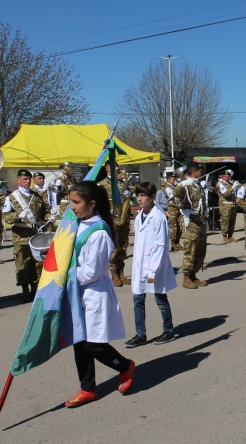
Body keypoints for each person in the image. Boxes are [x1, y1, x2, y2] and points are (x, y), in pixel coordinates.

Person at [64, 181, 135, 408]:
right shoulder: (78, 223)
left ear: (92, 204)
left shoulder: (100, 232)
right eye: (71, 201)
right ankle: (87, 389)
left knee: (93, 344)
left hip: (93, 292)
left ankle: (124, 366)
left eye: (76, 202)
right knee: (79, 342)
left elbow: (90, 273)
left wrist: (62, 275)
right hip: (77, 291)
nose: (71, 206)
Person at [124, 182, 177, 348]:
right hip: (140, 264)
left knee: (160, 298)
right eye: (138, 195)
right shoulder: (140, 216)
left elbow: (160, 245)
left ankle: (168, 330)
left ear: (152, 197)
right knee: (138, 299)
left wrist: (152, 271)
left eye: (143, 196)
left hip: (155, 265)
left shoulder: (158, 217)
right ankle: (141, 334)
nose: (139, 199)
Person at [2, 169, 52, 302]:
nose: (27, 181)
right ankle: (25, 291)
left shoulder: (36, 196)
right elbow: (5, 216)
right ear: (18, 180)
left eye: (29, 179)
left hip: (36, 236)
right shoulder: (12, 197)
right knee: (22, 264)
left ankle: (36, 289)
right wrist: (17, 216)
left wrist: (50, 217)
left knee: (37, 264)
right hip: (21, 237)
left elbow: (44, 212)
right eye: (24, 179)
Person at [174, 165, 208, 289]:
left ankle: (193, 275)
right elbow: (176, 193)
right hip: (191, 222)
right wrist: (183, 184)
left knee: (200, 250)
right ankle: (186, 277)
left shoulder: (197, 185)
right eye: (200, 171)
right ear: (194, 172)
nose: (201, 173)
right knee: (190, 250)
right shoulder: (187, 185)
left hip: (200, 221)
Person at [100, 167, 134, 287]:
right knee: (115, 246)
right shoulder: (102, 184)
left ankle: (121, 272)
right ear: (108, 169)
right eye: (115, 166)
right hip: (112, 218)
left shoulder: (122, 183)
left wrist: (129, 193)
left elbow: (129, 198)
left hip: (123, 218)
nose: (118, 169)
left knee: (123, 245)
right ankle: (114, 273)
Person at [164, 172, 184, 251]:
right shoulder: (167, 188)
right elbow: (173, 196)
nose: (175, 180)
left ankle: (177, 242)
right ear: (169, 179)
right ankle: (173, 243)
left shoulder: (174, 186)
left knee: (179, 226)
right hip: (173, 209)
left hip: (178, 208)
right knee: (174, 227)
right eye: (173, 179)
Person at [217, 169, 238, 243]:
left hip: (232, 204)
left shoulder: (229, 183)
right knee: (225, 221)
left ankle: (230, 235)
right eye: (225, 177)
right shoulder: (220, 184)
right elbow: (226, 194)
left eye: (228, 176)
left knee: (232, 221)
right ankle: (225, 236)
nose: (227, 178)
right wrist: (233, 188)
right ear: (222, 177)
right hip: (225, 205)